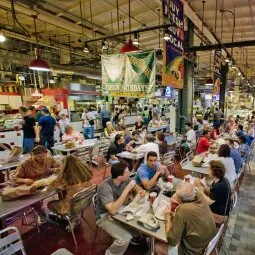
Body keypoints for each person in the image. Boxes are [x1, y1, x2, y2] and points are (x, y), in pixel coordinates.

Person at [96, 162, 147, 255]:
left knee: (138, 223)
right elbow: (112, 210)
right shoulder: (104, 187)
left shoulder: (125, 179)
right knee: (125, 238)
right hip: (104, 216)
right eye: (127, 172)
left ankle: (134, 237)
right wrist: (127, 189)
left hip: (120, 210)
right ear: (120, 176)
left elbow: (135, 187)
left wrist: (140, 190)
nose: (130, 173)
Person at [155, 182, 216, 255]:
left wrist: (167, 218)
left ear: (180, 200)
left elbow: (172, 241)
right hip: (208, 242)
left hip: (194, 251)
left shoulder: (183, 209)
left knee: (157, 247)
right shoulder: (199, 196)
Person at [196, 160, 232, 225]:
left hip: (219, 216)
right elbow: (212, 191)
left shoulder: (219, 187)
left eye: (209, 170)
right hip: (221, 208)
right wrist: (203, 185)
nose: (208, 171)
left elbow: (208, 202)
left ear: (214, 172)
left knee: (194, 210)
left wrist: (199, 190)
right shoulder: (221, 179)